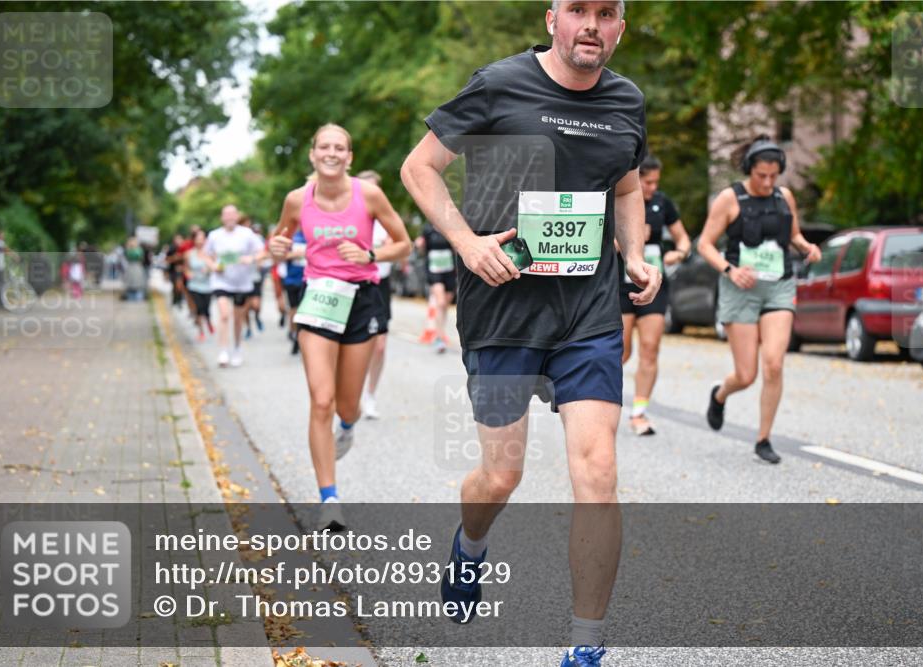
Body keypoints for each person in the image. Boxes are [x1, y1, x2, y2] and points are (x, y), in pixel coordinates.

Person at [400, 2, 657, 664]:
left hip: (588, 314)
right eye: (579, 10)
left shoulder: (627, 101)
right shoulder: (499, 84)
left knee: (598, 471)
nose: (592, 24)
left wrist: (635, 252)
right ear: (552, 19)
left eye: (608, 12)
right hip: (503, 310)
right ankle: (471, 543)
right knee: (501, 473)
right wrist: (465, 241)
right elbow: (418, 168)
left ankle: (587, 647)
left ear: (621, 27)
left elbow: (627, 187)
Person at [269, 125, 411, 530]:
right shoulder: (297, 200)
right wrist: (276, 247)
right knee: (321, 400)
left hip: (361, 298)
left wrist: (369, 253)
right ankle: (329, 499)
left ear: (349, 157)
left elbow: (403, 243)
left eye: (340, 147)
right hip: (318, 300)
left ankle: (347, 428)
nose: (331, 153)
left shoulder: (368, 195)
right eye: (324, 147)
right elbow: (278, 241)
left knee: (347, 406)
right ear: (312, 155)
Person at [697, 135, 821, 464]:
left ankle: (763, 439)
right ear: (749, 169)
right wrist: (729, 270)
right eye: (761, 176)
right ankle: (720, 394)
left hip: (778, 286)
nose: (767, 182)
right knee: (746, 374)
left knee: (775, 364)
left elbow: (793, 234)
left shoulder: (785, 196)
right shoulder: (729, 198)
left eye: (773, 176)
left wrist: (807, 247)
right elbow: (705, 244)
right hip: (741, 289)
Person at [617, 155, 690, 436]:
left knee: (650, 348)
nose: (651, 188)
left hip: (654, 285)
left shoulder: (662, 203)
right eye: (647, 182)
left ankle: (639, 412)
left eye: (655, 183)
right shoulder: (619, 198)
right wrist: (630, 240)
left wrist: (679, 252)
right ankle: (599, 404)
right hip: (620, 285)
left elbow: (682, 238)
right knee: (620, 351)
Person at [205, 205, 264, 368]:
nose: (230, 218)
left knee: (238, 319)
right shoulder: (214, 235)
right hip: (221, 280)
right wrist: (213, 266)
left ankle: (237, 349)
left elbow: (262, 252)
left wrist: (251, 259)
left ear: (237, 216)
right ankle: (223, 351)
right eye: (226, 215)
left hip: (241, 283)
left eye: (233, 214)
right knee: (224, 315)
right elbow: (206, 255)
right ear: (222, 217)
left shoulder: (247, 234)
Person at [357, 170, 394, 419]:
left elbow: (400, 247)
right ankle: (350, 392)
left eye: (375, 188)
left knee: (379, 346)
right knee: (353, 345)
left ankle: (370, 395)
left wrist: (373, 252)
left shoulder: (386, 218)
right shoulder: (349, 217)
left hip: (379, 285)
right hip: (354, 284)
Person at [415, 221, 456, 354]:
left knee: (445, 305)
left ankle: (440, 331)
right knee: (440, 302)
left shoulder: (449, 227)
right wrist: (419, 245)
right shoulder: (427, 229)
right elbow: (421, 249)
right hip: (434, 270)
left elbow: (456, 248)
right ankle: (439, 338)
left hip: (449, 270)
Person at [281, 229, 308, 355]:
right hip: (292, 280)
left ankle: (301, 338)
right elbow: (280, 256)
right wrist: (296, 254)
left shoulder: (314, 234)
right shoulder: (291, 237)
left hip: (308, 280)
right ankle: (293, 333)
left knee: (305, 311)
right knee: (294, 310)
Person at [185, 228, 214, 342]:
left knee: (206, 308)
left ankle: (209, 321)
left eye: (203, 239)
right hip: (194, 285)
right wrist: (189, 275)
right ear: (194, 240)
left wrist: (209, 270)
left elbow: (215, 267)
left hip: (207, 285)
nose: (200, 241)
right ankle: (201, 331)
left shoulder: (210, 254)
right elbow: (186, 269)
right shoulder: (188, 254)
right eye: (198, 239)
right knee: (198, 308)